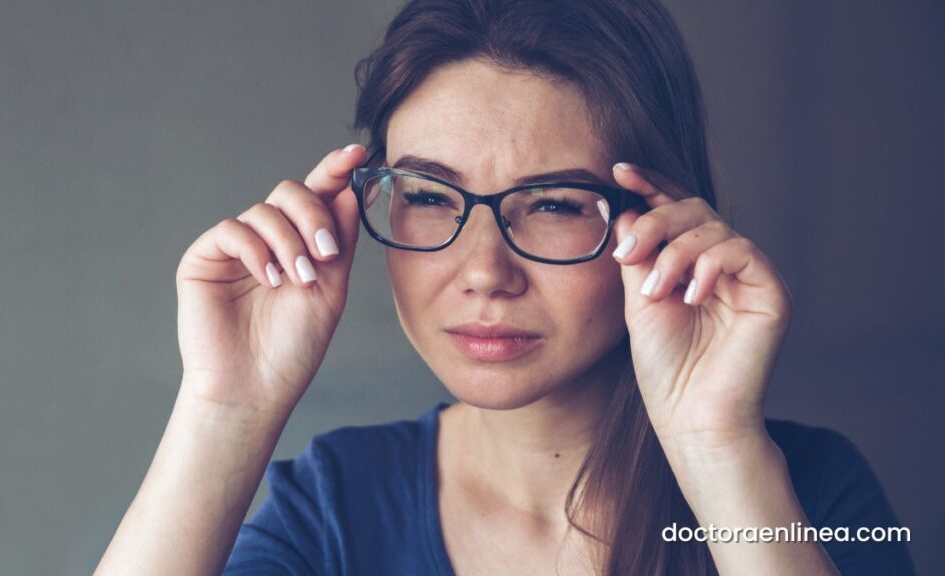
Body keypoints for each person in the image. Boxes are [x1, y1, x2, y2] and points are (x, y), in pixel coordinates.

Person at [96, 0, 915, 574]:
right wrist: (223, 410)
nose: (485, 271)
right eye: (426, 196)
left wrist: (714, 447)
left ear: (662, 218)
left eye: (555, 204)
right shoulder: (334, 509)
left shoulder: (804, 489)